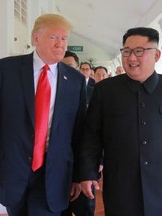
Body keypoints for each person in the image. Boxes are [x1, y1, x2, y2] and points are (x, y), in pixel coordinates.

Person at [0, 14, 87, 216]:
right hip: (12, 168)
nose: (60, 44)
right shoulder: (7, 69)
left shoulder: (76, 81)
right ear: (36, 39)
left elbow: (78, 133)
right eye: (54, 37)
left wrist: (79, 175)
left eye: (64, 39)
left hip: (53, 173)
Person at [79, 27, 162, 216]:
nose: (131, 58)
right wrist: (87, 173)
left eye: (139, 51)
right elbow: (92, 135)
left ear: (156, 55)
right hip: (122, 186)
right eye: (126, 51)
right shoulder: (105, 91)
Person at [61, 51, 97, 216]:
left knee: (85, 207)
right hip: (58, 165)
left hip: (83, 163)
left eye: (69, 67)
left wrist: (99, 160)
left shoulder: (92, 93)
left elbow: (97, 130)